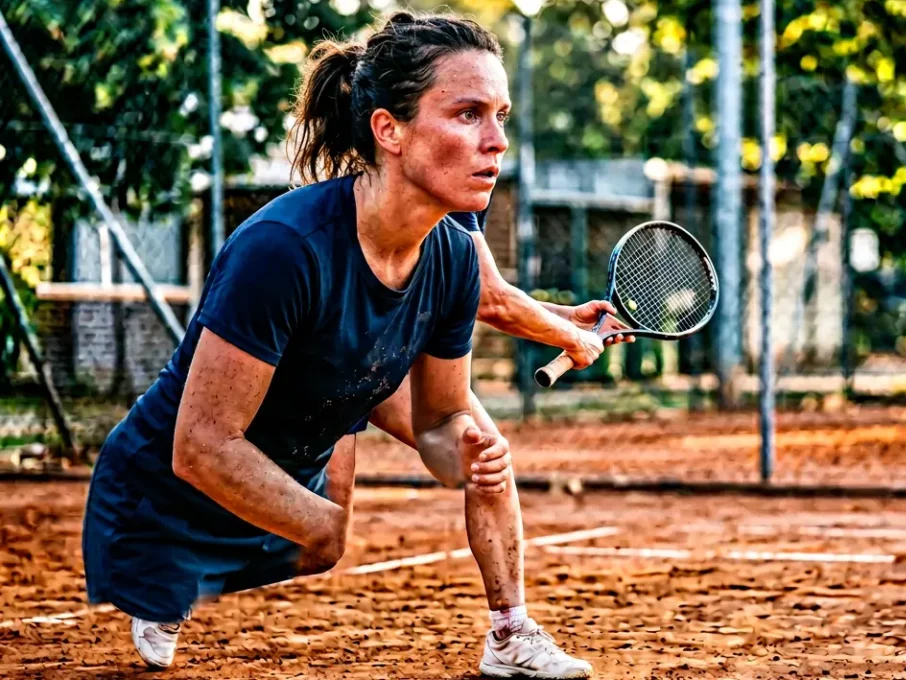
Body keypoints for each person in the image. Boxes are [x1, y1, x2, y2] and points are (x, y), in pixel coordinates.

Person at [83, 13, 599, 678]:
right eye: (468, 114)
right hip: (154, 488)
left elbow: (443, 423)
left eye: (501, 114)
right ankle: (170, 573)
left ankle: (510, 634)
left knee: (478, 449)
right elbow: (201, 443)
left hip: (341, 378)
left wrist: (462, 450)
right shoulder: (283, 250)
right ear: (389, 130)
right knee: (324, 535)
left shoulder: (450, 259)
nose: (497, 141)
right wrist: (570, 334)